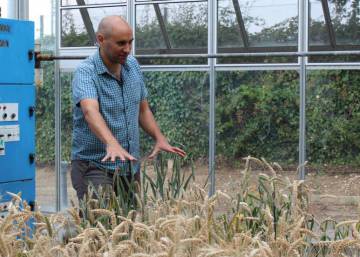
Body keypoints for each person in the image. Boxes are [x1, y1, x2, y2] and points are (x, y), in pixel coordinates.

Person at [71, 15, 186, 201]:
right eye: (121, 43)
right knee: (101, 222)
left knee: (129, 225)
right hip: (94, 165)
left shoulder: (132, 65)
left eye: (130, 42)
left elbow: (143, 110)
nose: (127, 49)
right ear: (101, 40)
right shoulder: (86, 71)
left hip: (129, 166)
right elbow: (89, 111)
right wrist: (111, 143)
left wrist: (159, 137)